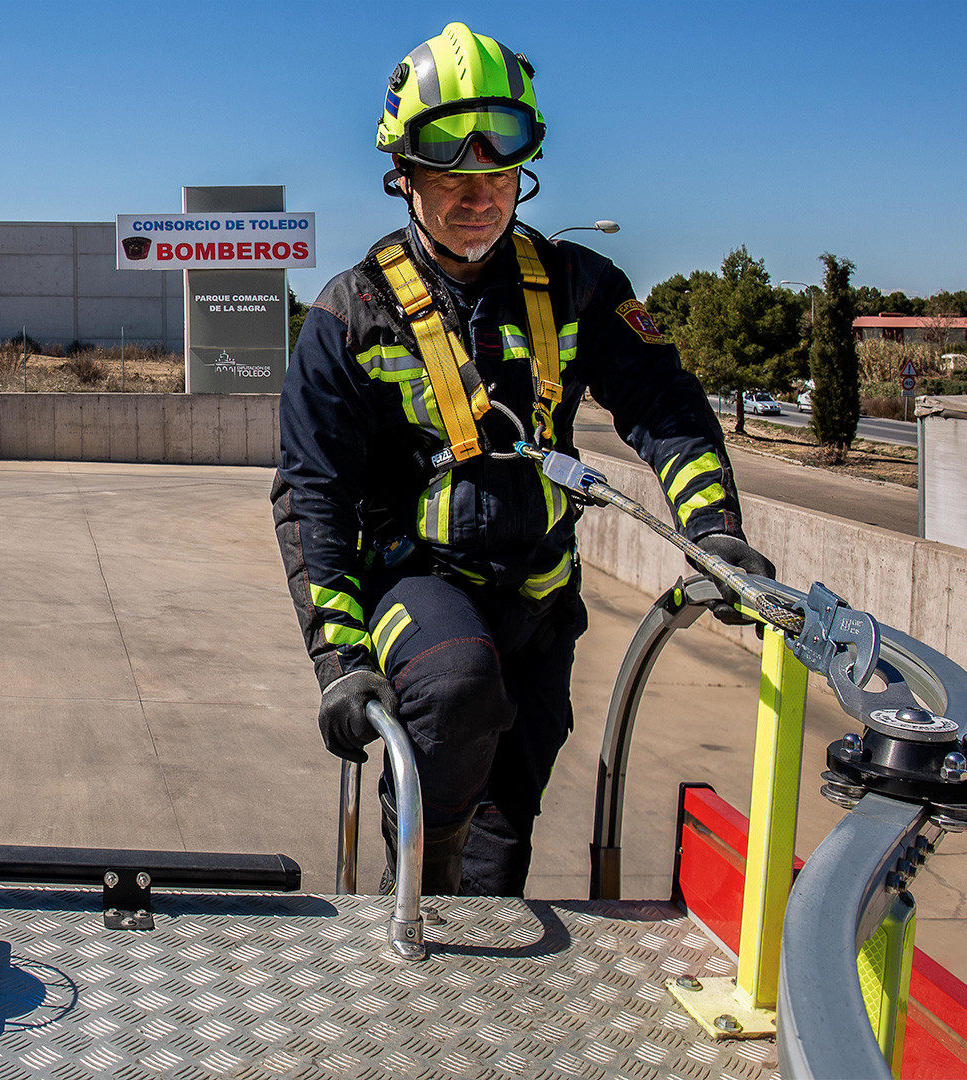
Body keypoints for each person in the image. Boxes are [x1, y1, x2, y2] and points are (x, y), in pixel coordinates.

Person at [272, 22, 775, 897]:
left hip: (542, 606)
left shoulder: (580, 285)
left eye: (498, 174)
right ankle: (415, 883)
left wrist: (713, 531)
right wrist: (340, 658)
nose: (480, 198)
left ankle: (477, 954)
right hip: (413, 587)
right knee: (457, 689)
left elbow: (665, 406)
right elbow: (313, 495)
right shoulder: (348, 315)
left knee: (506, 832)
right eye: (451, 177)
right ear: (404, 177)